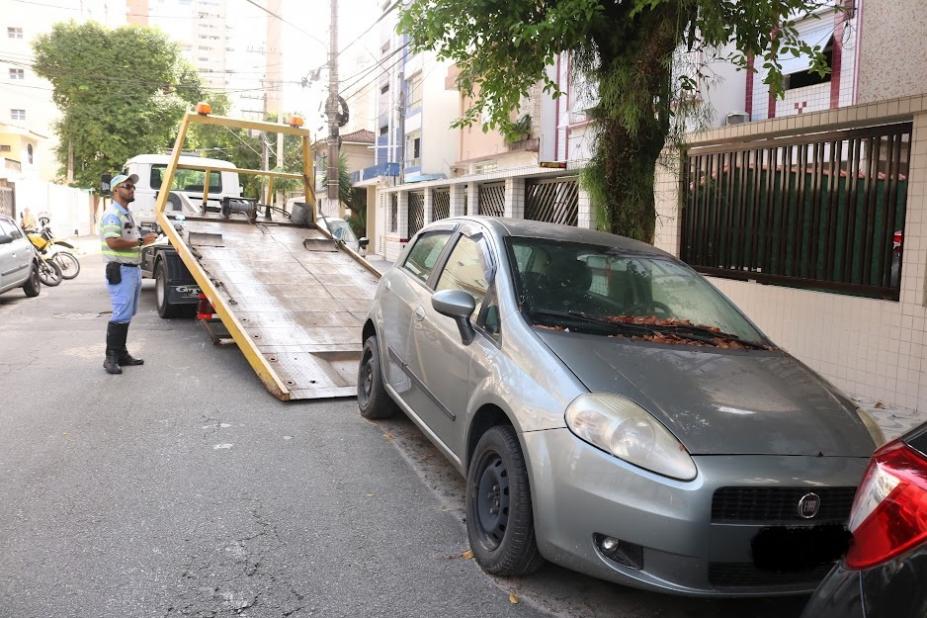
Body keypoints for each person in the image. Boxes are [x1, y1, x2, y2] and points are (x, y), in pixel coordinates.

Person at [100, 173, 157, 375]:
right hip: (120, 269)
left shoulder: (126, 214)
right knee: (120, 313)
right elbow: (112, 241)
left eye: (133, 186)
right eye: (127, 186)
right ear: (116, 190)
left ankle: (121, 353)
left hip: (132, 270)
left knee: (128, 313)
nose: (132, 189)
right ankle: (111, 357)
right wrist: (142, 242)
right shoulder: (112, 214)